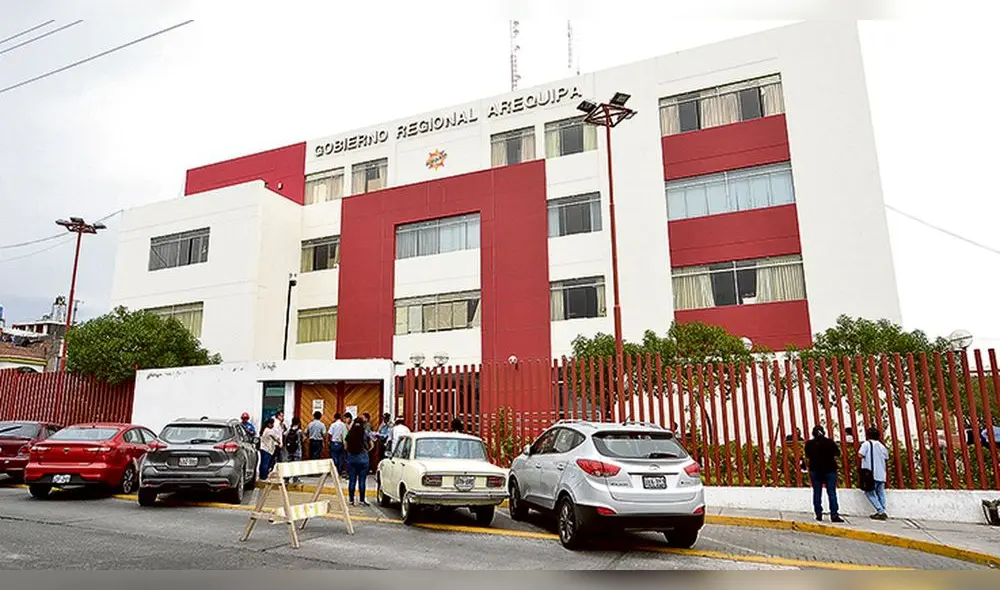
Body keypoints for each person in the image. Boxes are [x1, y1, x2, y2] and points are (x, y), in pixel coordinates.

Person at [804, 425, 843, 522]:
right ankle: (834, 514)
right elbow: (837, 453)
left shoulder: (809, 444)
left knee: (817, 492)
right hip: (830, 470)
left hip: (815, 470)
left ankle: (818, 514)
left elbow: (807, 456)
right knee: (831, 493)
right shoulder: (830, 442)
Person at [858, 426, 890, 520]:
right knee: (880, 492)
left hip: (871, 473)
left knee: (869, 492)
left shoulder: (866, 444)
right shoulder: (881, 446)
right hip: (881, 473)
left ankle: (880, 511)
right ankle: (882, 510)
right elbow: (886, 457)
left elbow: (860, 454)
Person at [344, 418, 371, 506]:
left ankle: (351, 500)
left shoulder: (350, 434)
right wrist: (366, 451)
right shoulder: (365, 434)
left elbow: (345, 446)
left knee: (352, 480)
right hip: (363, 459)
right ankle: (361, 500)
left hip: (351, 459)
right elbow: (372, 444)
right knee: (362, 481)